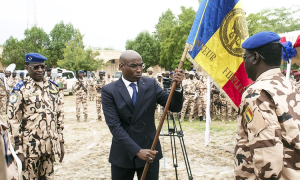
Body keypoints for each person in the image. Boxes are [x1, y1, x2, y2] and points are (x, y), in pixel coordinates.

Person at [101, 50, 184, 180]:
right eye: (133, 66)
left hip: (150, 150)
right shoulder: (109, 91)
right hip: (123, 153)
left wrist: (178, 87)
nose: (139, 69)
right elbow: (115, 126)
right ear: (121, 67)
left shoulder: (151, 84)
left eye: (141, 65)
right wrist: (137, 151)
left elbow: (173, 107)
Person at [234, 31, 300, 179]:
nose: (244, 63)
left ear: (255, 58)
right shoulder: (288, 85)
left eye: (245, 58)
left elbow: (267, 152)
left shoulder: (257, 93)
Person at [7, 53, 64, 179]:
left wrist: (60, 142)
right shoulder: (20, 89)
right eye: (35, 67)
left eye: (42, 67)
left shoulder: (53, 87)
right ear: (27, 67)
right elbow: (13, 121)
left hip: (49, 147)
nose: (40, 70)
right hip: (29, 150)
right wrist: (18, 151)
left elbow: (58, 117)